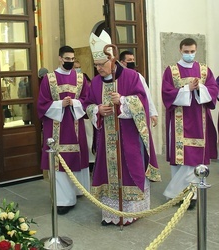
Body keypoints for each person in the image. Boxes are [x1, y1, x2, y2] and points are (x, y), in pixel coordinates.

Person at [85, 30, 161, 226]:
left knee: (130, 170)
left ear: (113, 60)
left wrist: (124, 101)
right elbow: (89, 104)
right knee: (107, 173)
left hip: (128, 137)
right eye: (96, 65)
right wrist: (97, 110)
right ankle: (110, 213)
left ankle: (130, 213)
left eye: (102, 64)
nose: (98, 68)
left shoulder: (131, 76)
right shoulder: (94, 82)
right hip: (106, 140)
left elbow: (142, 101)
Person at [162, 38, 218, 209]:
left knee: (195, 156)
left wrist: (200, 88)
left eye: (192, 51)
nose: (189, 54)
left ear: (196, 50)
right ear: (180, 50)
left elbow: (214, 89)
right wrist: (188, 89)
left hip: (199, 120)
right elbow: (167, 93)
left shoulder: (204, 69)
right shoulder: (171, 71)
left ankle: (190, 195)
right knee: (181, 158)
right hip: (179, 120)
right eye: (186, 51)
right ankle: (178, 195)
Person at [37, 45, 90, 215]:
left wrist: (74, 103)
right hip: (56, 127)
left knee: (77, 158)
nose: (70, 62)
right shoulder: (49, 79)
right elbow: (42, 104)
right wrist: (60, 104)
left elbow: (87, 100)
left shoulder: (81, 78)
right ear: (60, 58)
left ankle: (78, 190)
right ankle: (63, 200)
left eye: (72, 59)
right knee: (59, 161)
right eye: (67, 59)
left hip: (75, 124)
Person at [119, 51, 158, 127]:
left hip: (138, 113)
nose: (132, 62)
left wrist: (152, 113)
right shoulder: (118, 76)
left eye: (133, 60)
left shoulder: (138, 76)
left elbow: (146, 94)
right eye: (129, 60)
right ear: (122, 62)